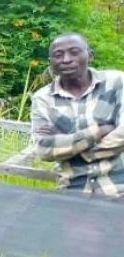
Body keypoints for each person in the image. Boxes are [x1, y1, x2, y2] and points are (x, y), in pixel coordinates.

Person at [29, 32, 124, 198]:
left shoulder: (116, 82)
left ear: (90, 55)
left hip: (119, 185)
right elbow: (44, 149)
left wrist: (72, 146)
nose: (66, 59)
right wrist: (99, 132)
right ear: (51, 62)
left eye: (74, 52)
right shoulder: (43, 98)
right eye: (58, 55)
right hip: (73, 191)